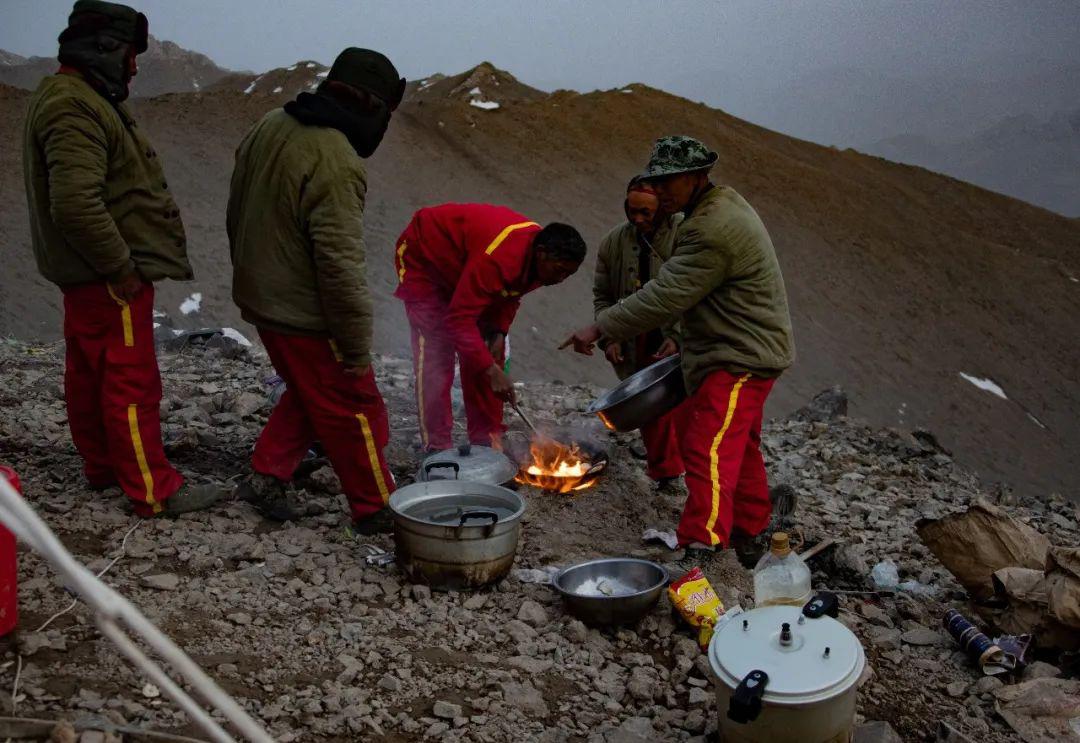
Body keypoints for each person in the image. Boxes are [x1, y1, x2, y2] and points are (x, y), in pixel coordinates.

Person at [23, 0, 224, 517]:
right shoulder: (74, 106)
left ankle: (104, 466)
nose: (135, 66)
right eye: (130, 54)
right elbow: (75, 202)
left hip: (87, 276)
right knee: (130, 379)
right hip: (106, 276)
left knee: (91, 371)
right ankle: (152, 488)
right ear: (104, 49)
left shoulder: (74, 95)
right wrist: (121, 268)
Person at [562, 136, 795, 562]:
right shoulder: (714, 207)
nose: (663, 191)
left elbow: (665, 295)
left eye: (671, 182)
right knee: (737, 443)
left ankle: (702, 545)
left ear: (698, 178)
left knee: (706, 445)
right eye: (658, 181)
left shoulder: (711, 228)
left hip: (740, 355)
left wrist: (599, 327)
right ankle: (752, 529)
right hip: (724, 349)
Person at [227, 48, 405, 533]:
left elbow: (239, 205)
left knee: (309, 393)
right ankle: (377, 507)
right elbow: (339, 264)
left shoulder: (271, 124)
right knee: (356, 407)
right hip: (302, 311)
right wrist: (354, 344)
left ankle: (267, 473)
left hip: (263, 295)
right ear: (372, 107)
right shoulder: (335, 158)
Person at [394, 206, 586, 452]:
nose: (561, 279)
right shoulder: (498, 259)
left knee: (489, 353)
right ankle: (438, 447)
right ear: (541, 253)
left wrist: (498, 332)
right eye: (560, 271)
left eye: (569, 275)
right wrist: (491, 371)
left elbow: (510, 294)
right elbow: (459, 320)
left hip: (468, 270)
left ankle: (486, 443)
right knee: (436, 351)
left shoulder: (541, 265)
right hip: (425, 257)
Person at [593, 178, 685, 487]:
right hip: (639, 338)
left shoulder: (686, 236)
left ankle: (694, 472)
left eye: (646, 213)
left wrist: (679, 336)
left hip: (682, 335)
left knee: (687, 408)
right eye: (632, 212)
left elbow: (697, 292)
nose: (638, 220)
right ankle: (665, 473)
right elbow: (603, 296)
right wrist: (610, 336)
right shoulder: (613, 243)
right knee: (650, 404)